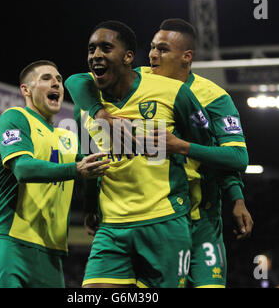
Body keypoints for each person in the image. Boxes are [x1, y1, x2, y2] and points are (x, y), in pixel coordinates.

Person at [66, 18, 254, 288]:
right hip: (150, 217)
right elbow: (77, 81)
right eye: (152, 47)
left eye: (163, 49)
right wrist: (101, 114)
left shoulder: (214, 97)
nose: (153, 54)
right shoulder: (139, 77)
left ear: (186, 57)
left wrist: (234, 196)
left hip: (199, 218)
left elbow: (235, 158)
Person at [0, 60, 110, 288]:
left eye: (59, 79)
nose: (56, 83)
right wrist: (75, 169)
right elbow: (22, 169)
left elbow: (91, 170)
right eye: (47, 78)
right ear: (26, 90)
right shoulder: (15, 118)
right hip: (8, 241)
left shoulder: (68, 137)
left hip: (50, 251)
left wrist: (91, 209)